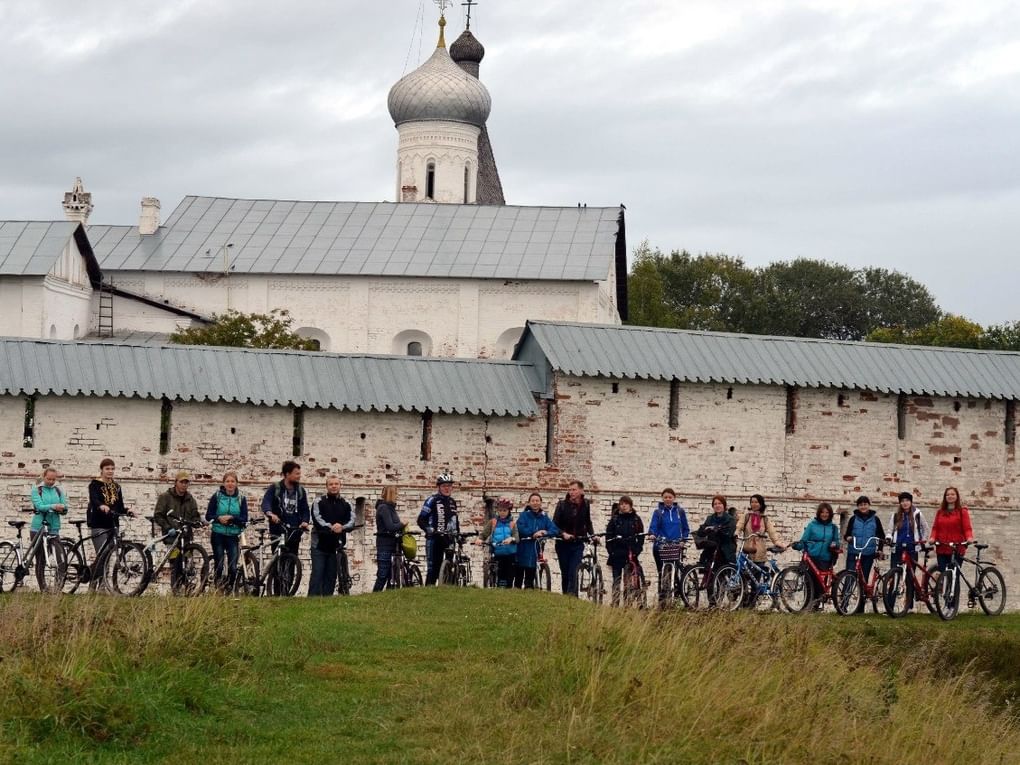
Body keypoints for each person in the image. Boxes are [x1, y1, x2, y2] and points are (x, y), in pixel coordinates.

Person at [309, 476, 355, 596]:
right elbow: (317, 519)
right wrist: (331, 527)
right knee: (317, 575)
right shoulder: (319, 502)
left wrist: (342, 527)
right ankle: (311, 601)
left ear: (340, 486)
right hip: (319, 545)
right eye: (331, 484)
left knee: (331, 576)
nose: (334, 486)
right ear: (327, 486)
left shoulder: (346, 503)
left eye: (336, 484)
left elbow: (351, 521)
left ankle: (327, 602)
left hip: (336, 547)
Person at [887, 491, 929, 612]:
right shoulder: (896, 515)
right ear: (900, 503)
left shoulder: (917, 514)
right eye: (902, 501)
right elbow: (890, 529)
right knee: (893, 576)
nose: (905, 503)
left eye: (907, 501)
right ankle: (890, 605)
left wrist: (921, 542)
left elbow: (925, 528)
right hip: (898, 547)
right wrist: (889, 537)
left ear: (911, 502)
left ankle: (909, 606)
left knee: (909, 577)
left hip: (911, 548)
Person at [206, 471, 248, 588]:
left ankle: (229, 588)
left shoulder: (241, 498)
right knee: (219, 565)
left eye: (232, 481)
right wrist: (219, 518)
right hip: (218, 533)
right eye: (227, 481)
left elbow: (244, 518)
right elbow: (208, 515)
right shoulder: (217, 496)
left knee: (233, 567)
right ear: (224, 483)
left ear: (236, 483)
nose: (230, 484)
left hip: (233, 535)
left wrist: (232, 518)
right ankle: (218, 589)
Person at [793, 502, 841, 604]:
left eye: (827, 512)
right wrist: (797, 546)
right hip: (812, 556)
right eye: (822, 512)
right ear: (819, 513)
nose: (824, 514)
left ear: (830, 514)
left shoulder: (833, 528)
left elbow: (837, 541)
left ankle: (817, 603)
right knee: (809, 582)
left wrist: (834, 544)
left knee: (820, 583)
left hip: (826, 557)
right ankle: (809, 604)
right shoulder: (812, 525)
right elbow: (804, 540)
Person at [552, 480, 594, 596]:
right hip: (563, 543)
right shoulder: (562, 504)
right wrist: (563, 533)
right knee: (565, 572)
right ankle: (566, 595)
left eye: (574, 490)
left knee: (573, 571)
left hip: (577, 542)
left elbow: (587, 521)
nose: (571, 492)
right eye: (570, 490)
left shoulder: (585, 504)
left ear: (581, 491)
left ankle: (573, 596)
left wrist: (592, 535)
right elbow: (554, 524)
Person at [418, 472, 460, 586]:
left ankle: (448, 589)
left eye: (449, 486)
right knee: (433, 568)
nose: (447, 488)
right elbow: (421, 519)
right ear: (439, 487)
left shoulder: (452, 502)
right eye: (444, 486)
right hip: (434, 538)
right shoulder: (432, 500)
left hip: (449, 538)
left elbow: (455, 520)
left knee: (449, 566)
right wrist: (428, 529)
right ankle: (428, 591)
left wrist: (458, 534)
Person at [261, 461, 310, 554]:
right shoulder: (275, 488)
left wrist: (305, 521)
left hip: (294, 530)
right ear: (287, 474)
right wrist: (270, 514)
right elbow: (266, 502)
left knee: (291, 560)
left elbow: (305, 509)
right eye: (297, 474)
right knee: (277, 560)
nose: (299, 476)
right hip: (278, 528)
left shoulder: (300, 490)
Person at [29, 467, 68, 582]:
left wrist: (62, 508)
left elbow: (65, 507)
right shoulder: (37, 490)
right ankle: (43, 588)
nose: (51, 482)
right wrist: (54, 506)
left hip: (54, 528)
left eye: (53, 479)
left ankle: (58, 586)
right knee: (41, 560)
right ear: (44, 477)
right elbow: (39, 506)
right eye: (49, 479)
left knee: (60, 559)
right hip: (38, 528)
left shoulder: (58, 491)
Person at [842, 495, 885, 597]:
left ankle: (860, 606)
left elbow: (881, 536)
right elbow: (847, 534)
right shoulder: (853, 519)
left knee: (863, 579)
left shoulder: (875, 520)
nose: (863, 507)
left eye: (865, 504)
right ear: (858, 506)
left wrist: (880, 549)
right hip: (854, 552)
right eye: (860, 505)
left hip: (868, 553)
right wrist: (848, 538)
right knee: (850, 576)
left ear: (869, 505)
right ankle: (844, 604)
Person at [514, 492, 559, 588]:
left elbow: (554, 530)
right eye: (533, 501)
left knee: (530, 577)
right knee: (519, 575)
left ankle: (529, 593)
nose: (535, 503)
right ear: (529, 503)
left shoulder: (544, 517)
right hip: (523, 548)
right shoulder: (524, 515)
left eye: (537, 501)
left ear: (540, 502)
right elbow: (520, 528)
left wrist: (545, 532)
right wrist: (533, 533)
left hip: (536, 549)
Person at [605, 496, 645, 605]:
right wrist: (611, 550)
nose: (624, 506)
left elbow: (641, 537)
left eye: (626, 504)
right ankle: (615, 603)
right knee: (616, 580)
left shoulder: (636, 519)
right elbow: (608, 536)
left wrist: (637, 550)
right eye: (622, 504)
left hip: (630, 553)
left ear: (630, 505)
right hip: (616, 553)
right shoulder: (615, 519)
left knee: (629, 581)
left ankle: (628, 604)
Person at [87, 458, 129, 559]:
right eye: (107, 468)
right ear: (101, 469)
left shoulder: (116, 486)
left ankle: (105, 575)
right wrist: (101, 505)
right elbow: (94, 500)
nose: (110, 471)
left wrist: (128, 511)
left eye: (112, 469)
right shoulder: (94, 485)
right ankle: (97, 575)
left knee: (109, 556)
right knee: (102, 555)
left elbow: (119, 506)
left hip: (113, 525)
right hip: (99, 524)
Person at [647, 488, 690, 580]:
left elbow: (685, 528)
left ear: (674, 498)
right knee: (661, 572)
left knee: (674, 571)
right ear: (662, 498)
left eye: (670, 497)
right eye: (665, 497)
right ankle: (662, 592)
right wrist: (652, 534)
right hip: (661, 546)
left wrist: (683, 540)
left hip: (675, 545)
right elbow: (653, 526)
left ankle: (677, 589)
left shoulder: (680, 512)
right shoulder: (658, 512)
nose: (668, 499)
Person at [928, 486, 975, 572]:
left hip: (956, 548)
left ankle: (955, 585)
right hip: (942, 547)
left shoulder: (962, 512)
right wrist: (932, 538)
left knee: (954, 576)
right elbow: (935, 528)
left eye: (952, 494)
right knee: (943, 574)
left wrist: (969, 538)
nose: (950, 496)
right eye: (948, 495)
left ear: (957, 496)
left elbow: (967, 528)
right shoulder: (940, 512)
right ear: (945, 497)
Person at [478, 498, 520, 588]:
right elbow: (484, 534)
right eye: (500, 510)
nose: (502, 512)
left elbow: (517, 537)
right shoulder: (493, 522)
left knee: (510, 574)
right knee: (500, 573)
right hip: (497, 552)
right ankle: (499, 588)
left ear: (509, 511)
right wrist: (480, 539)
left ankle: (508, 589)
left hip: (510, 553)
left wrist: (511, 539)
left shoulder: (512, 524)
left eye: (504, 510)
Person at [735, 494, 786, 567]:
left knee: (758, 576)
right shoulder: (746, 516)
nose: (754, 504)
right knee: (744, 576)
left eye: (756, 502)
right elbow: (739, 527)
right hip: (747, 551)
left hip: (760, 553)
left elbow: (772, 532)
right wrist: (736, 534)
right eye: (752, 502)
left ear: (761, 504)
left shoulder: (765, 519)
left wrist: (777, 542)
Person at [374, 485, 404, 592]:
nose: (397, 496)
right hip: (385, 544)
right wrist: (402, 524)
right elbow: (390, 526)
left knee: (392, 575)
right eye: (396, 493)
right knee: (383, 573)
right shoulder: (384, 508)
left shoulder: (391, 508)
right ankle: (375, 596)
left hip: (393, 544)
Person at [154, 471, 202, 536]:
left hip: (186, 536)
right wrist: (168, 528)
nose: (184, 485)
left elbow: (194, 516)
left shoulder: (190, 500)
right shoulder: (165, 497)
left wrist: (199, 522)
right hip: (171, 536)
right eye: (181, 482)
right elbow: (158, 515)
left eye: (186, 483)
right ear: (176, 482)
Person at [695, 495, 736, 569]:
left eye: (720, 503)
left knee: (724, 576)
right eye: (715, 504)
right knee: (709, 575)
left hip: (725, 551)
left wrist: (715, 529)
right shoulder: (710, 518)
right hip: (712, 550)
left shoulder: (730, 519)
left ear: (724, 505)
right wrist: (704, 529)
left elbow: (728, 534)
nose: (717, 506)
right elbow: (701, 532)